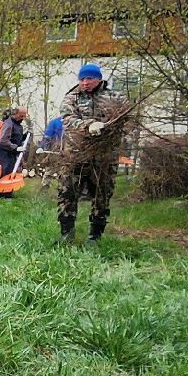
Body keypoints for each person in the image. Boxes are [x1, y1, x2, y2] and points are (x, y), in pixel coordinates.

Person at [56, 63, 127, 243]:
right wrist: (89, 125)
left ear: (99, 79)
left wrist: (108, 128)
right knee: (67, 192)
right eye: (82, 79)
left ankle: (95, 236)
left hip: (104, 156)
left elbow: (125, 118)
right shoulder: (72, 97)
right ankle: (67, 233)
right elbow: (67, 119)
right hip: (75, 154)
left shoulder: (114, 97)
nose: (85, 82)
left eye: (89, 79)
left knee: (102, 194)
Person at [0, 107, 29, 199]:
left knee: (11, 173)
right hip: (4, 153)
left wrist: (26, 136)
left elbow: (16, 138)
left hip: (11, 153)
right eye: (21, 115)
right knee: (5, 174)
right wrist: (16, 148)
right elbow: (3, 141)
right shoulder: (8, 124)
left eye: (24, 116)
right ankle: (3, 196)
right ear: (15, 114)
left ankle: (7, 194)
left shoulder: (18, 126)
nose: (23, 118)